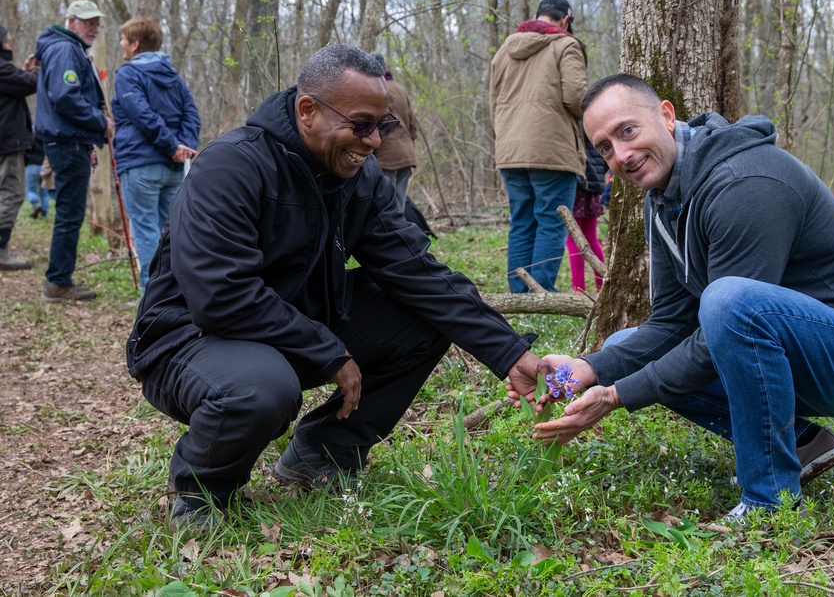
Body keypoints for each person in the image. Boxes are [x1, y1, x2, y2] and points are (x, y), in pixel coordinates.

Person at [126, 44, 546, 527]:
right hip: (186, 339)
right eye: (362, 124)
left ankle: (321, 453)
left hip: (284, 327)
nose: (372, 142)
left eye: (383, 126)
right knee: (263, 387)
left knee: (422, 317)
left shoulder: (359, 176)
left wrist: (511, 354)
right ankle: (201, 489)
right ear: (308, 111)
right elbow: (222, 295)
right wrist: (329, 352)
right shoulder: (231, 166)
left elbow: (418, 271)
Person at [528, 74, 834, 522]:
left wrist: (617, 395)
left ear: (665, 114)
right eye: (604, 147)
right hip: (806, 351)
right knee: (625, 344)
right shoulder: (661, 198)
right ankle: (801, 442)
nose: (621, 155)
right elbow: (672, 325)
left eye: (627, 130)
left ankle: (768, 501)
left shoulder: (747, 182)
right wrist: (588, 368)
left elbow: (734, 317)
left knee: (727, 301)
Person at [490, 0, 587, 293]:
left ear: (537, 16)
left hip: (510, 149)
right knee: (551, 219)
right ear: (565, 20)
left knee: (521, 220)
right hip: (551, 148)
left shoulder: (505, 51)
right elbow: (576, 97)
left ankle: (519, 290)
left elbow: (493, 103)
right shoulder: (566, 45)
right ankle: (541, 289)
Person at [111, 18, 200, 291]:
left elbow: (142, 115)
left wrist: (174, 147)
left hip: (141, 165)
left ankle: (152, 296)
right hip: (172, 166)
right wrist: (181, 145)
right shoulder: (173, 76)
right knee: (171, 232)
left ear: (135, 44)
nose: (122, 44)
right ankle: (175, 293)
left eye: (125, 39)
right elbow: (191, 114)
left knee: (146, 230)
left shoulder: (128, 74)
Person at [34, 0, 114, 301]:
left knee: (69, 212)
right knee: (70, 213)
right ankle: (58, 282)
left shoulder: (66, 48)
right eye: (86, 22)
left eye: (96, 22)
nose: (93, 28)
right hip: (68, 142)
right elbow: (65, 97)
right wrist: (100, 119)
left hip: (69, 140)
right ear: (70, 21)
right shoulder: (66, 49)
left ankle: (59, 279)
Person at [0, 23, 39, 270]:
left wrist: (25, 72)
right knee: (12, 193)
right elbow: (29, 83)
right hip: (7, 144)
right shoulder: (2, 69)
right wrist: (40, 71)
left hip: (6, 142)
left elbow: (18, 83)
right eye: (7, 41)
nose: (11, 46)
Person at [371, 53, 419, 214]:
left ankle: (393, 237)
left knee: (388, 204)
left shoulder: (380, 90)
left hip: (387, 155)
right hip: (406, 153)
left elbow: (382, 123)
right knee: (399, 205)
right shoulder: (400, 89)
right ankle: (399, 236)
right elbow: (413, 125)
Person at [566, 132, 608, 293]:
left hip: (577, 184)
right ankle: (601, 283)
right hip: (593, 183)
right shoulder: (594, 125)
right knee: (590, 238)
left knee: (573, 240)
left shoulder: (576, 123)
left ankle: (578, 288)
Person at [25, 136, 51, 219]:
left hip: (32, 165)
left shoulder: (31, 135)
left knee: (30, 190)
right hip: (45, 165)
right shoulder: (46, 134)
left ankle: (36, 203)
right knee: (44, 192)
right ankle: (44, 214)